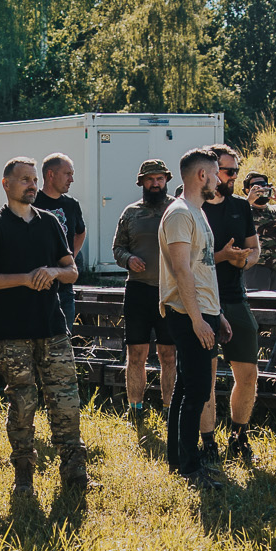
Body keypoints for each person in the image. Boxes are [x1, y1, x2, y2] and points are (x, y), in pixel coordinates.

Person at [0, 156, 90, 495]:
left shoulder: (50, 222)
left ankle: (75, 471)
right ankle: (23, 471)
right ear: (7, 184)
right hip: (12, 333)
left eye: (34, 179)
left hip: (52, 327)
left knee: (65, 402)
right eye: (24, 179)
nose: (32, 185)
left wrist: (53, 272)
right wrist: (23, 278)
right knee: (22, 405)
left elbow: (72, 270)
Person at [158, 149, 232, 487]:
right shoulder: (179, 214)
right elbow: (182, 271)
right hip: (188, 314)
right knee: (198, 389)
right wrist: (198, 319)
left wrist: (217, 315)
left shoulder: (197, 212)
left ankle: (180, 462)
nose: (219, 180)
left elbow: (203, 268)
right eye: (216, 173)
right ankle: (189, 469)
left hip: (204, 311)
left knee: (189, 387)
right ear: (201, 175)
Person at [202, 149, 262, 466]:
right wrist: (223, 256)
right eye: (227, 172)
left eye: (236, 172)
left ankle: (239, 436)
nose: (233, 178)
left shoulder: (240, 207)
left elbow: (255, 249)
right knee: (207, 378)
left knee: (248, 373)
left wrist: (245, 259)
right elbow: (184, 264)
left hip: (236, 298)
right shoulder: (191, 209)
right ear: (211, 172)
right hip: (203, 300)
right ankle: (208, 442)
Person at [114, 160, 178, 426]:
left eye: (160, 179)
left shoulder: (177, 209)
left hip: (170, 291)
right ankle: (135, 410)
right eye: (150, 179)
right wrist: (128, 259)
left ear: (166, 180)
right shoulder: (130, 213)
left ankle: (169, 409)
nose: (155, 184)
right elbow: (117, 248)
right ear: (141, 182)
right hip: (138, 291)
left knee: (169, 355)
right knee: (136, 355)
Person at [32, 152, 87, 338]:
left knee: (63, 342)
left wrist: (70, 256)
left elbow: (81, 231)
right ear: (50, 174)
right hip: (36, 287)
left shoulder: (71, 205)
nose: (72, 179)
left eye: (72, 174)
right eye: (67, 174)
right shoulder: (33, 203)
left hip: (64, 287)